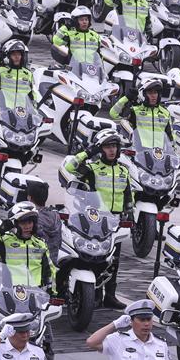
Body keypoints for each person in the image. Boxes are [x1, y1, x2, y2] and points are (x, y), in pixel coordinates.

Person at [62, 128, 132, 308]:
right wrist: (89, 151)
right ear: (101, 149)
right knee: (91, 254)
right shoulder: (92, 169)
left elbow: (128, 195)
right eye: (108, 146)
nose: (112, 150)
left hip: (115, 220)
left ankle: (109, 295)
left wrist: (129, 212)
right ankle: (90, 292)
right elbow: (70, 167)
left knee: (113, 260)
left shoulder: (123, 170)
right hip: (94, 218)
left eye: (114, 146)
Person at [0, 202, 57, 291]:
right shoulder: (4, 240)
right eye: (23, 223)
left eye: (30, 222)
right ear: (15, 224)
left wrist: (53, 292)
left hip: (36, 294)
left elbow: (50, 271)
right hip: (8, 293)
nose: (27, 226)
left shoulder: (40, 244)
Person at [110, 77, 173, 147]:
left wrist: (173, 152)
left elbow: (171, 136)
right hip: (139, 153)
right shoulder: (135, 110)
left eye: (155, 92)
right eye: (150, 93)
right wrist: (126, 97)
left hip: (159, 154)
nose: (153, 96)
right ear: (143, 94)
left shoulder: (165, 112)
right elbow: (113, 114)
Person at [0, 39, 34, 108]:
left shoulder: (28, 73)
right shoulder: (1, 71)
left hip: (23, 112)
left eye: (19, 54)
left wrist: (34, 107)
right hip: (4, 111)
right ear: (8, 56)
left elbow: (32, 93)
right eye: (14, 54)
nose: (17, 57)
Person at [26, 180, 61, 262]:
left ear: (29, 198)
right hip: (52, 262)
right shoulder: (55, 215)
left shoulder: (32, 219)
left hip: (35, 264)